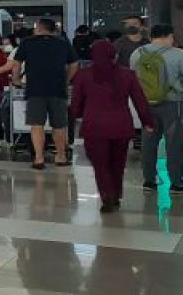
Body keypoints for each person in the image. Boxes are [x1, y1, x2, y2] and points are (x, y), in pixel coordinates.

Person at [0, 18, 76, 170]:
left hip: (34, 89)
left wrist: (16, 80)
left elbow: (16, 64)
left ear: (38, 28)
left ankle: (39, 158)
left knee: (37, 125)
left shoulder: (27, 43)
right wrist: (66, 79)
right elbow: (75, 63)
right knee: (59, 125)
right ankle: (61, 157)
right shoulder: (63, 43)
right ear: (53, 30)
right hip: (58, 89)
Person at [72, 40, 153, 212]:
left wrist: (76, 115)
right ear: (114, 55)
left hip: (94, 126)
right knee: (117, 163)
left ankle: (107, 196)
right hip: (121, 126)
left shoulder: (83, 75)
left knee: (100, 164)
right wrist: (147, 122)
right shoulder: (127, 75)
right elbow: (140, 101)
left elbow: (76, 103)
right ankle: (116, 195)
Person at [129, 24, 183, 193]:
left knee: (148, 141)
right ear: (170, 36)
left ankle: (149, 181)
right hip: (173, 103)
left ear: (151, 36)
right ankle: (176, 182)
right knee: (174, 143)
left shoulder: (137, 54)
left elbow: (133, 78)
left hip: (145, 104)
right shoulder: (178, 54)